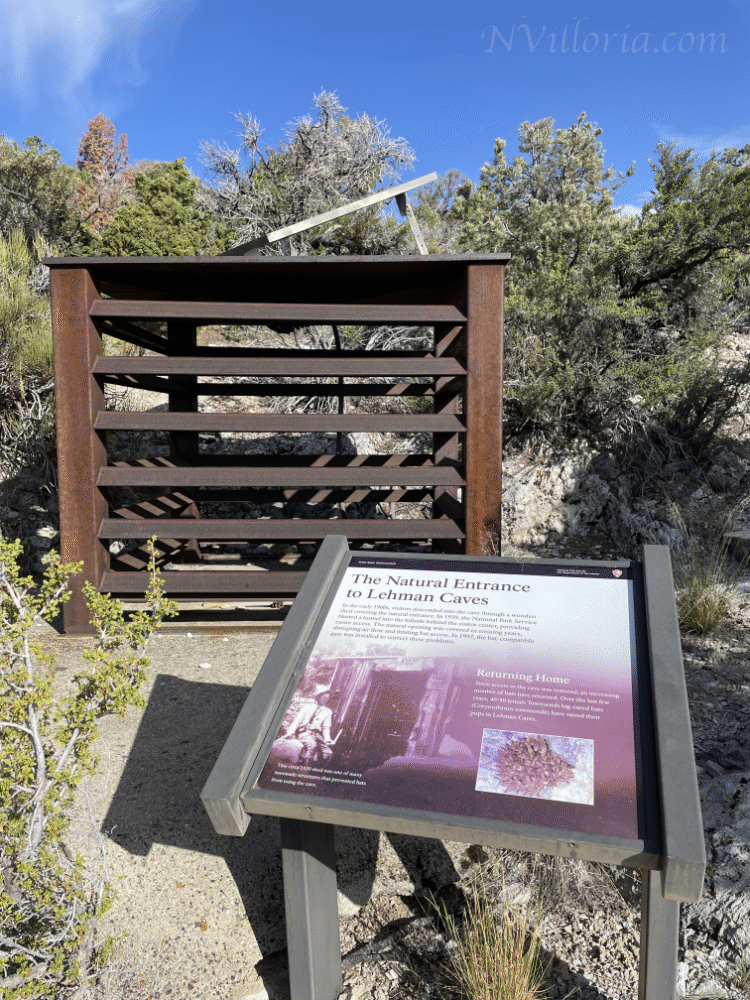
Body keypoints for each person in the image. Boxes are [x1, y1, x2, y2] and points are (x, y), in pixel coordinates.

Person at [284, 691, 335, 764]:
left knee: (328, 753)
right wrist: (291, 732)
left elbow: (326, 727)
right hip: (305, 732)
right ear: (319, 697)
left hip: (316, 735)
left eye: (328, 698)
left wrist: (327, 739)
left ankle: (317, 769)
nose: (325, 699)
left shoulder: (328, 711)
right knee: (312, 746)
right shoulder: (308, 707)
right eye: (324, 697)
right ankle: (305, 767)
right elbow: (297, 720)